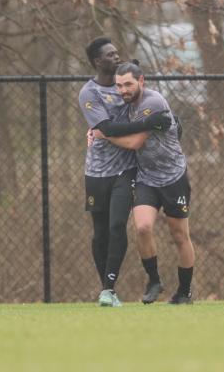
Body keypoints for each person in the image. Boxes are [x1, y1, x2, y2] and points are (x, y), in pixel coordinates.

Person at [92, 61, 195, 305]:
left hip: (173, 177)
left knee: (180, 236)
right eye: (118, 86)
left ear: (141, 81)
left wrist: (105, 133)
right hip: (146, 177)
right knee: (142, 228)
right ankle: (154, 280)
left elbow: (134, 142)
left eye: (128, 84)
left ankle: (185, 292)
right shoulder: (122, 105)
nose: (123, 90)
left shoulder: (154, 101)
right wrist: (99, 127)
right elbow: (106, 120)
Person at [79, 37, 171, 307]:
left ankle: (108, 288)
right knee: (100, 233)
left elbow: (155, 109)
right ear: (98, 62)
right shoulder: (89, 93)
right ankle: (107, 288)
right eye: (110, 54)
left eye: (117, 52)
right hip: (96, 171)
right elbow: (106, 129)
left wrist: (161, 119)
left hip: (127, 169)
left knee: (118, 225)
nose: (117, 57)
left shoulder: (128, 88)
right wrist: (147, 123)